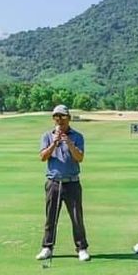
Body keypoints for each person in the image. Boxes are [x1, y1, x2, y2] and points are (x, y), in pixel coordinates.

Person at [36, 104, 90, 262]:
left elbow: (79, 158)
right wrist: (54, 143)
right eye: (56, 117)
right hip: (53, 182)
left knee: (76, 218)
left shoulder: (77, 136)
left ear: (69, 118)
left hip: (72, 182)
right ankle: (47, 247)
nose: (59, 120)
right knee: (50, 217)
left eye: (62, 116)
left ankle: (82, 248)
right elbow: (43, 157)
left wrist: (68, 142)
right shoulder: (47, 136)